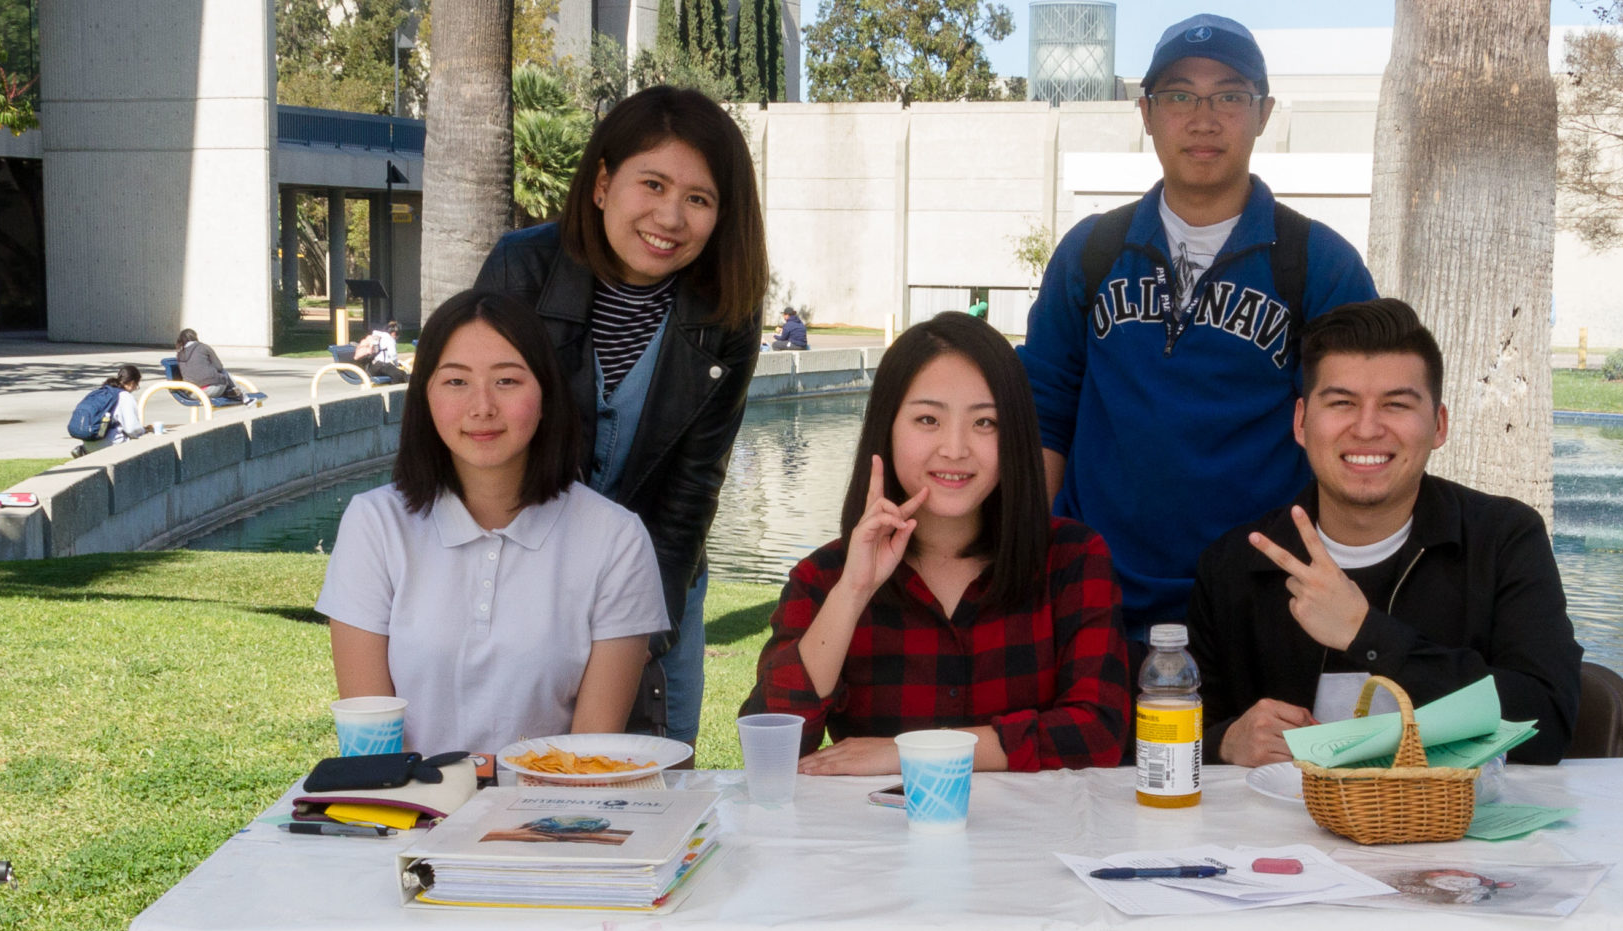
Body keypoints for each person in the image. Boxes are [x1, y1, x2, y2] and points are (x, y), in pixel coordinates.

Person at [1020, 13, 1375, 644]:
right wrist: (1034, 561)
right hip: (1094, 599)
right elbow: (1046, 415)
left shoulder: (1319, 263)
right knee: (1095, 745)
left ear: (1264, 112)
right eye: (1180, 95)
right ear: (1147, 112)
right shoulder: (1092, 252)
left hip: (1258, 605)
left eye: (1230, 96)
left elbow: (1352, 437)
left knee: (1246, 744)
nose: (1203, 118)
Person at [477, 85, 767, 750]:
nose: (671, 216)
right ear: (604, 183)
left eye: (698, 199)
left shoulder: (727, 308)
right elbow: (475, 443)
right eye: (654, 184)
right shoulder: (521, 270)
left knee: (651, 776)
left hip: (659, 576)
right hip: (525, 570)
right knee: (519, 778)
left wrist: (638, 636)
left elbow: (694, 487)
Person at [1189, 299, 1584, 766]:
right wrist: (1223, 743)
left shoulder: (1503, 540)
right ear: (1300, 423)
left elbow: (1546, 724)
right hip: (1274, 834)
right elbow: (1173, 732)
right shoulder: (1238, 561)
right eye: (1341, 403)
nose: (1367, 428)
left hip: (1453, 830)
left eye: (1396, 405)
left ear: (1438, 425)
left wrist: (1366, 632)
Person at [744, 311, 1129, 774]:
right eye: (928, 419)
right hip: (881, 839)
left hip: (1034, 840)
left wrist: (910, 750)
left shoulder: (1072, 559)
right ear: (887, 426)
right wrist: (852, 592)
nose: (955, 448)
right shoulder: (825, 577)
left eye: (985, 423)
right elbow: (771, 746)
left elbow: (1098, 732)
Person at [313, 290, 670, 758]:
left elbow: (587, 759)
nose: (482, 407)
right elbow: (370, 753)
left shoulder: (616, 539)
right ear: (425, 396)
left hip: (552, 817)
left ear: (545, 395)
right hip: (405, 815)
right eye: (456, 382)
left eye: (506, 381)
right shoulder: (375, 524)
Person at [174, 330, 251, 405]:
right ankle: (243, 397)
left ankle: (230, 392)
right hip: (214, 389)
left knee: (218, 377)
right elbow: (219, 367)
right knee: (224, 373)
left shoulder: (180, 354)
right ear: (195, 337)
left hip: (194, 393)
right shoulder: (204, 347)